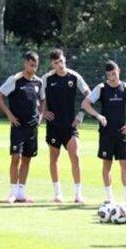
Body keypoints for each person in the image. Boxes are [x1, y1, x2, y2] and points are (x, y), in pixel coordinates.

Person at [81, 61, 126, 203]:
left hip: (121, 132)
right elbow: (85, 104)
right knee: (107, 164)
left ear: (119, 71)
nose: (112, 78)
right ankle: (109, 197)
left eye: (114, 74)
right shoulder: (101, 88)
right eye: (109, 75)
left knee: (125, 164)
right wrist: (98, 116)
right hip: (106, 133)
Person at [39, 49, 90, 203]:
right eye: (56, 63)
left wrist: (81, 114)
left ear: (65, 59)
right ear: (52, 64)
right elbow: (35, 96)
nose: (60, 65)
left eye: (61, 61)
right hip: (54, 126)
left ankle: (78, 194)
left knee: (76, 157)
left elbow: (89, 95)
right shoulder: (46, 78)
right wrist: (43, 112)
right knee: (54, 158)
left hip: (70, 125)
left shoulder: (74, 77)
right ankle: (58, 194)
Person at [0, 51, 42, 203]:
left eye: (36, 66)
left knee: (27, 158)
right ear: (25, 63)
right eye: (31, 65)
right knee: (16, 157)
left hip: (32, 127)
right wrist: (9, 114)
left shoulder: (39, 82)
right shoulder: (15, 80)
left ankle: (21, 193)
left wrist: (40, 116)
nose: (33, 68)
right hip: (18, 125)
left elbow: (43, 99)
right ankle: (13, 193)